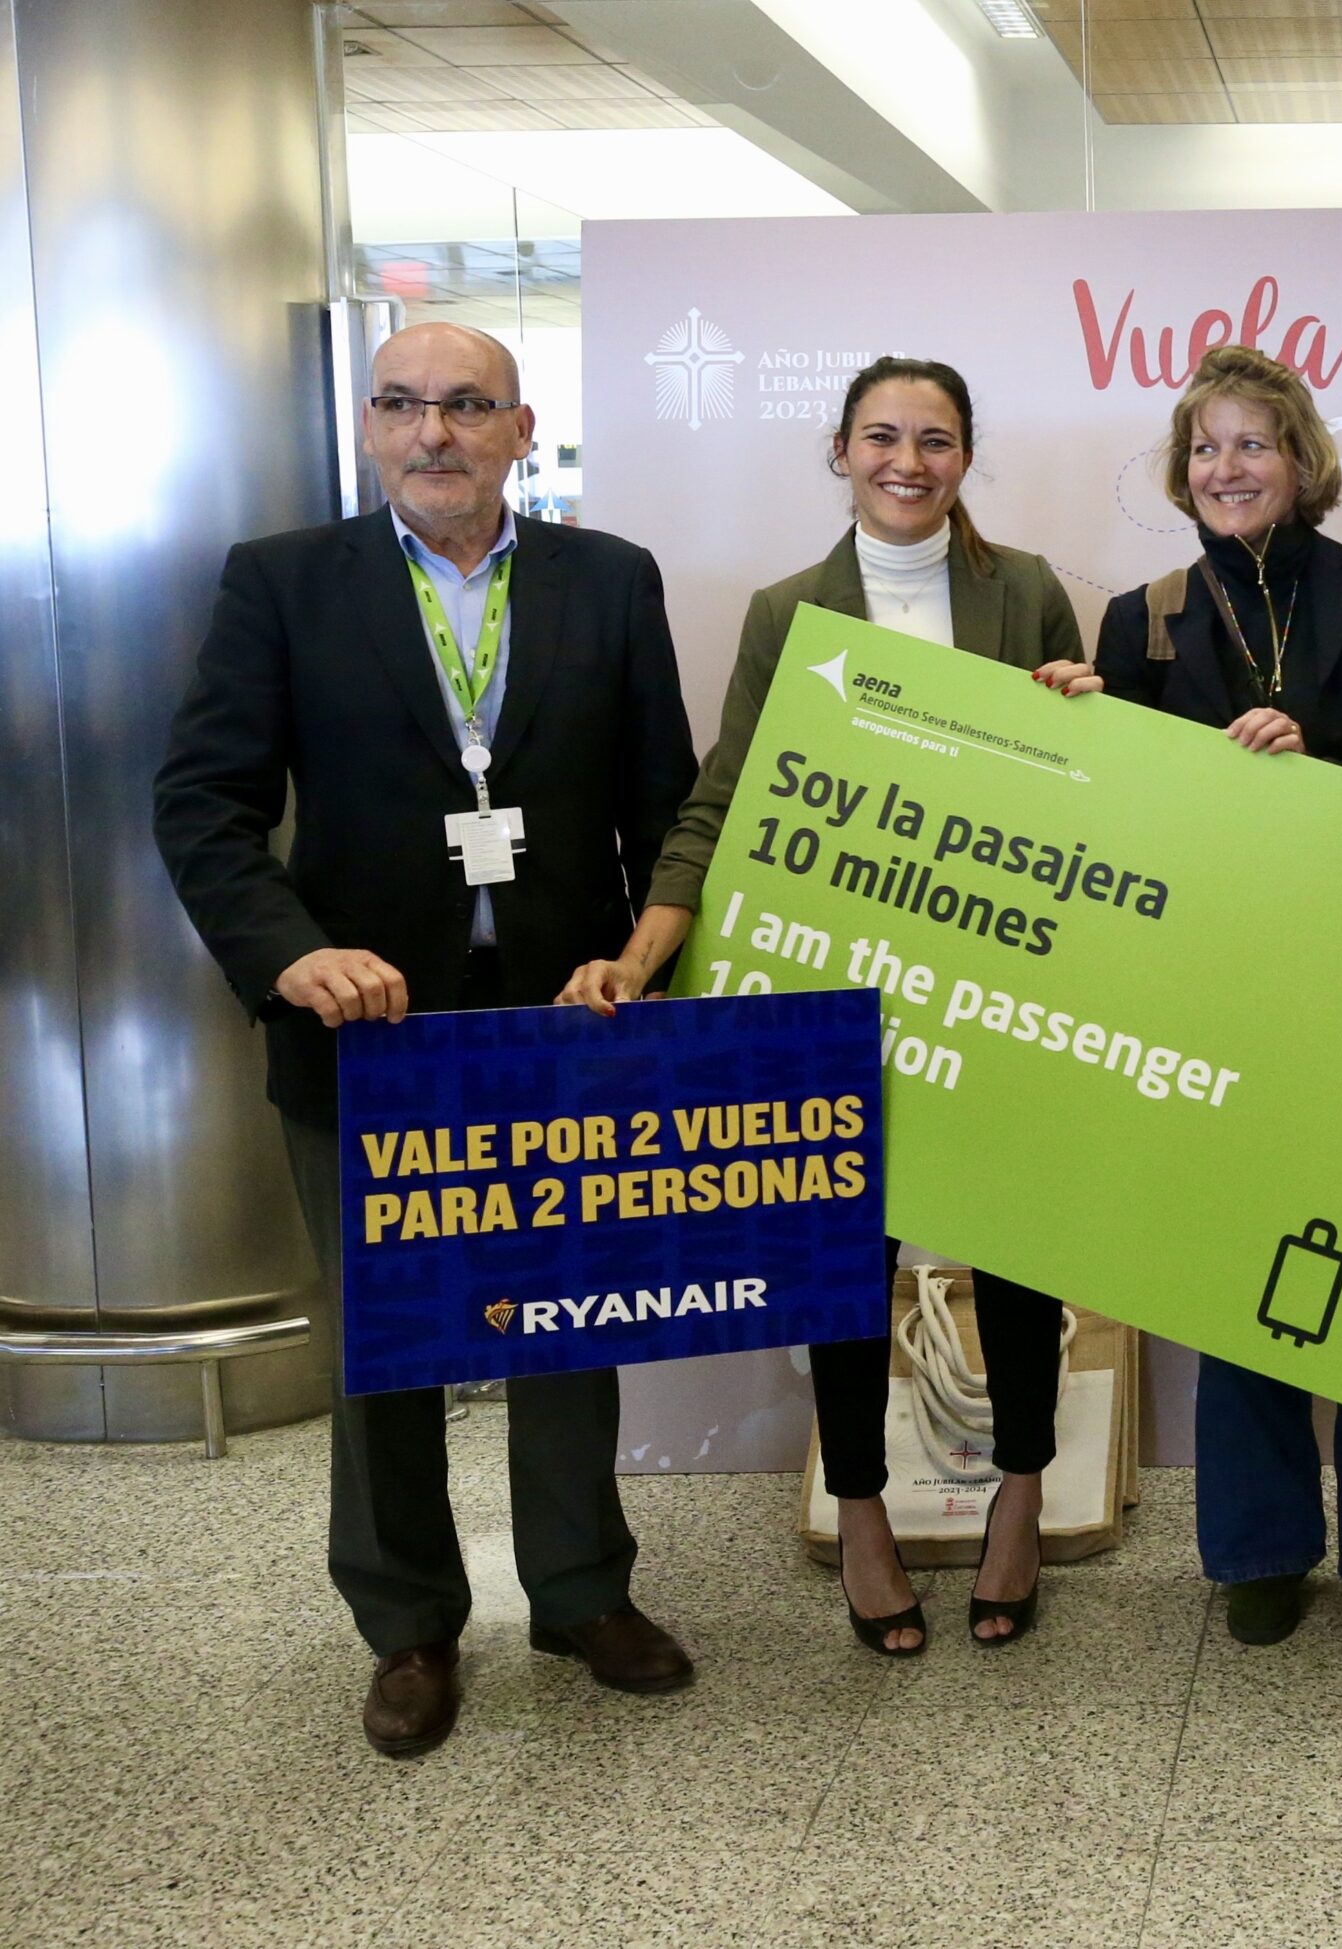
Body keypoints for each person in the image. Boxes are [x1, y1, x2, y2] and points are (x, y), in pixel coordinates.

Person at [153, 322, 702, 1758]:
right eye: (403, 404)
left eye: (467, 405)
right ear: (370, 425)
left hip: (560, 1022)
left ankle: (582, 1591)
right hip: (369, 1030)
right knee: (388, 1340)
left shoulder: (609, 578)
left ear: (521, 428)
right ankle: (406, 1624)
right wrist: (289, 953)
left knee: (569, 1320)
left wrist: (645, 962)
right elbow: (202, 803)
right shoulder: (284, 580)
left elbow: (664, 806)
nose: (433, 432)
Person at [558, 356, 1081, 1656]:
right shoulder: (787, 609)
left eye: (935, 439)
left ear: (967, 456)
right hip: (847, 977)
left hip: (1000, 977)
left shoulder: (1025, 590)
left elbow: (1083, 791)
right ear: (840, 450)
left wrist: (1088, 721)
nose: (908, 461)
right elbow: (725, 796)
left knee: (1021, 1242)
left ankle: (1021, 1493)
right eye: (882, 436)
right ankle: (860, 1511)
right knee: (846, 1251)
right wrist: (642, 953)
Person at [1062, 343, 1342, 1663]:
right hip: (1214, 987)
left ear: (1299, 458)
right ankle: (1259, 1546)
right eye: (1205, 447)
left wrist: (1317, 763)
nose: (1226, 467)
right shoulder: (1142, 615)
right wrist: (1073, 727)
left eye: (1252, 442)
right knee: (1237, 1271)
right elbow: (1115, 810)